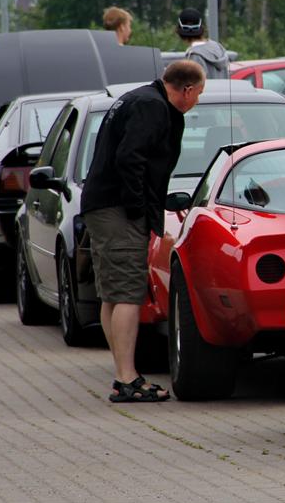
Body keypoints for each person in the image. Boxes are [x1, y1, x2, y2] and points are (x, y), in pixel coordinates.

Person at [81, 60, 205, 401]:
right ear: (187, 89)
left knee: (112, 294)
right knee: (128, 293)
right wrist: (139, 210)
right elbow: (130, 158)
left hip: (103, 205)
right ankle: (126, 380)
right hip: (118, 209)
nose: (197, 102)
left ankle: (124, 371)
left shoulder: (139, 99)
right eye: (199, 95)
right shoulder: (151, 107)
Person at [176, 7, 230, 79]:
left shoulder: (195, 56)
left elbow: (194, 87)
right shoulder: (218, 48)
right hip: (224, 90)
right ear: (202, 27)